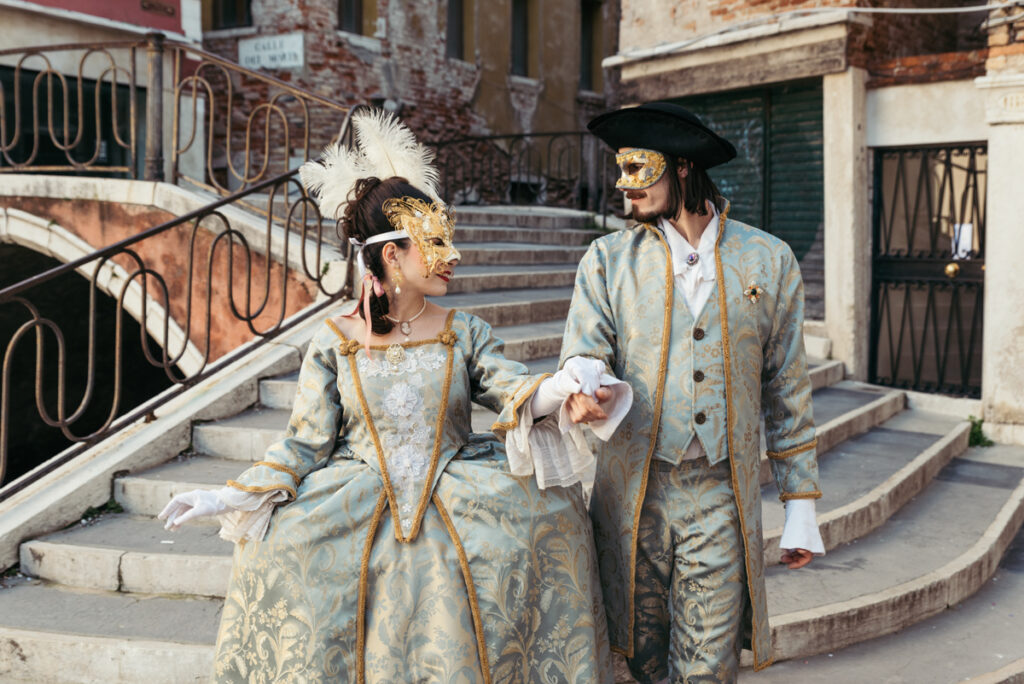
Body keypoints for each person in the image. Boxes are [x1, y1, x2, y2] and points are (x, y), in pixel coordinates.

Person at [158, 111, 626, 683]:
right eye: (434, 242)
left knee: (553, 515)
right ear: (389, 255)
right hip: (354, 498)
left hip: (460, 490)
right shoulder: (333, 342)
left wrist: (564, 385)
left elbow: (513, 387)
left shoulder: (464, 331)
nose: (452, 255)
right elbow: (304, 442)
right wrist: (227, 497)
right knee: (281, 549)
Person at [558, 102, 825, 683]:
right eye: (620, 171)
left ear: (682, 168)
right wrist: (584, 383)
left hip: (719, 494)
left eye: (640, 170)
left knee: (708, 665)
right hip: (634, 493)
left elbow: (787, 386)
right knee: (644, 657)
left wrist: (799, 504)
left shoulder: (769, 259)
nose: (626, 189)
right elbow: (586, 345)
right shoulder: (607, 261)